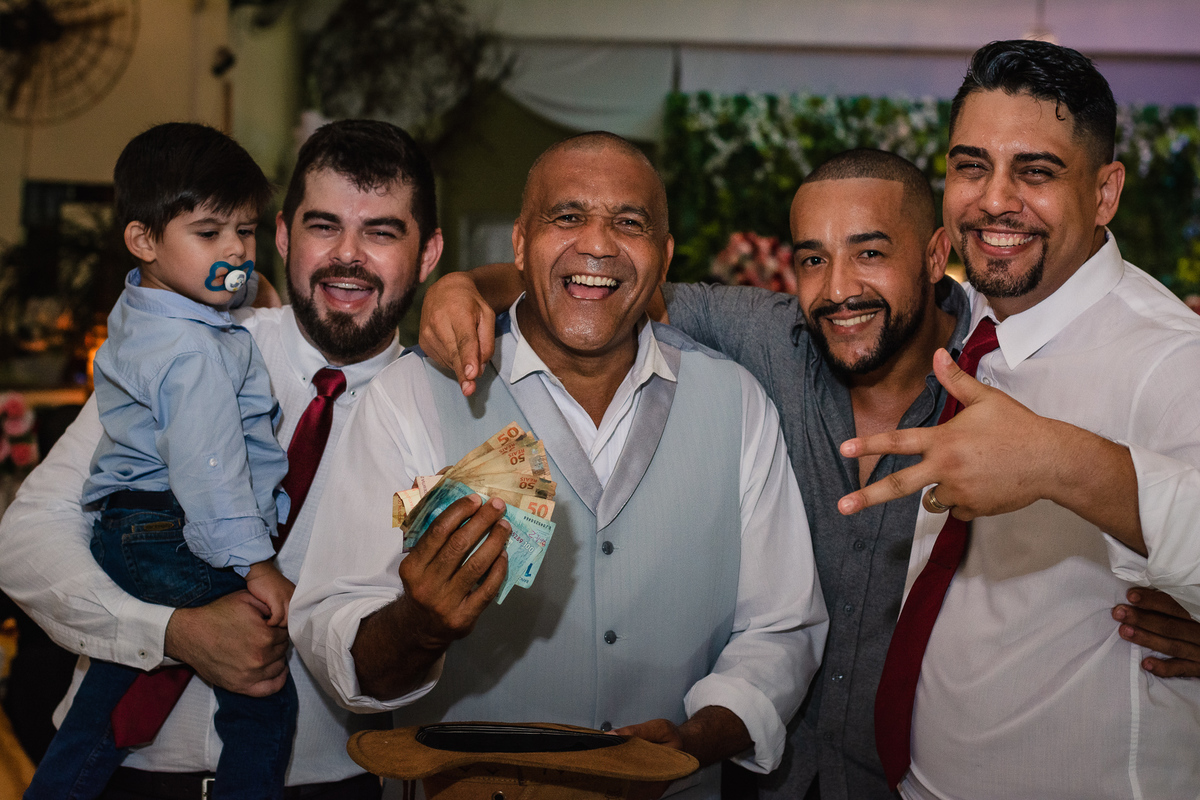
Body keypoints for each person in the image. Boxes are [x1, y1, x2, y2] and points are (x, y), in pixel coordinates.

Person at [418, 142, 1200, 799]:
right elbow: (602, 287)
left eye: (870, 253)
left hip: (920, 781)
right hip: (763, 775)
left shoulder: (1009, 378)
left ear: (935, 256)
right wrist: (464, 286)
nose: (838, 290)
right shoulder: (764, 336)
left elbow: (1143, 495)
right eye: (813, 260)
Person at [289, 132, 830, 800]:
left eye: (628, 223)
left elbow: (780, 628)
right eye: (567, 217)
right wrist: (418, 626)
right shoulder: (410, 397)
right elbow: (334, 633)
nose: (598, 245)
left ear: (663, 258)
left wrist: (697, 739)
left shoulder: (736, 401)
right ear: (519, 245)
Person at [0, 118, 443, 799]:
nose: (347, 256)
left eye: (381, 232)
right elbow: (25, 540)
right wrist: (172, 632)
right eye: (323, 226)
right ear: (285, 237)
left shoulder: (445, 416)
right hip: (123, 781)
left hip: (323, 785)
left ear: (429, 253)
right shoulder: (194, 343)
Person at [836, 40, 1200, 798]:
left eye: (1035, 172)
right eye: (971, 166)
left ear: (1104, 193)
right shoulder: (977, 324)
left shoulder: (1170, 358)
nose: (994, 199)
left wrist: (1056, 461)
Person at [26, 122, 297, 800]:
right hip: (174, 533)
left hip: (127, 529)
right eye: (210, 234)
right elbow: (213, 480)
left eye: (246, 230)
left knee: (107, 708)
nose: (235, 250)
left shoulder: (149, 303)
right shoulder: (193, 355)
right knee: (264, 703)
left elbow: (224, 279)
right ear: (143, 239)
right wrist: (257, 568)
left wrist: (246, 284)